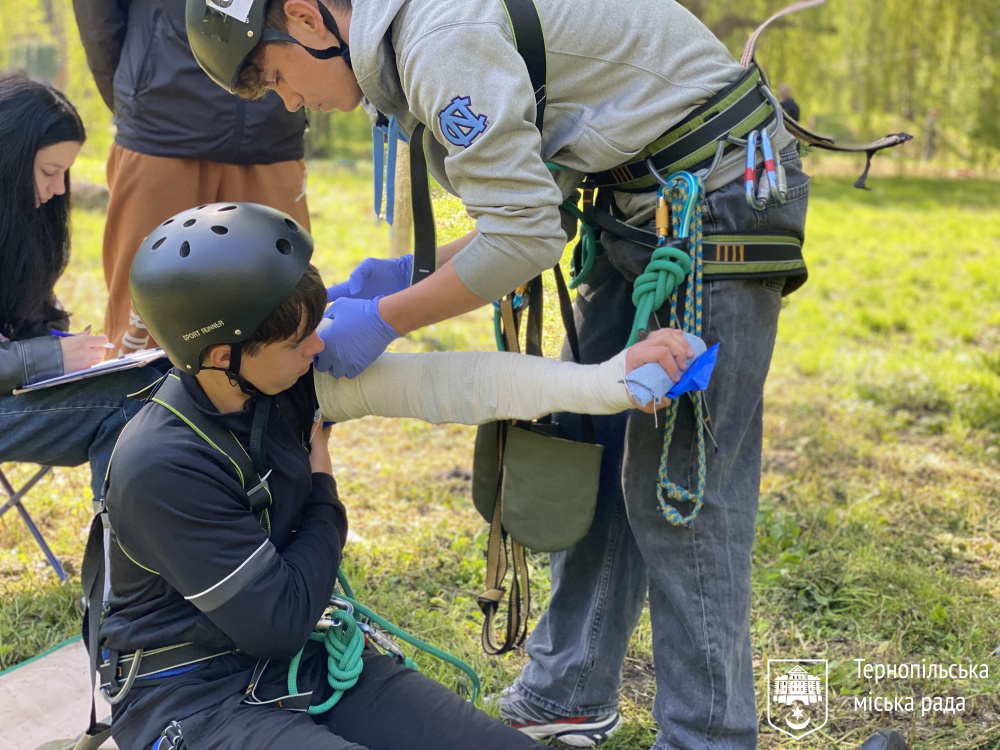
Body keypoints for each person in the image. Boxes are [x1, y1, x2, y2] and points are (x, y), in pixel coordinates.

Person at [185, 2, 812, 748]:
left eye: (273, 75)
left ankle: (708, 738)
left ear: (305, 17)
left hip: (713, 198)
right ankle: (569, 690)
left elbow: (523, 238)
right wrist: (406, 276)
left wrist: (389, 316)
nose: (291, 101)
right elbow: (522, 206)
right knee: (597, 446)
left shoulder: (440, 42)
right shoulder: (420, 31)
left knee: (683, 491)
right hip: (637, 198)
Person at [95, 201, 690, 750]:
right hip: (189, 696)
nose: (318, 344)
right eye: (299, 340)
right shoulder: (161, 466)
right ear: (224, 356)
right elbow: (279, 620)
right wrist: (323, 490)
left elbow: (449, 386)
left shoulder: (278, 381)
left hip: (306, 661)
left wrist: (612, 382)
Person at [72, 0, 313, 357]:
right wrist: (134, 95)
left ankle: (277, 414)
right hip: (161, 121)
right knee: (144, 328)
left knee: (282, 318)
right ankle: (133, 414)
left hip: (271, 123)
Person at [0, 73, 165, 502]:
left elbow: (26, 317)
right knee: (132, 403)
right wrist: (45, 358)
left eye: (65, 174)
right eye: (49, 172)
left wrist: (62, 344)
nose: (58, 190)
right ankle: (122, 560)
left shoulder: (17, 225)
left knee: (161, 380)